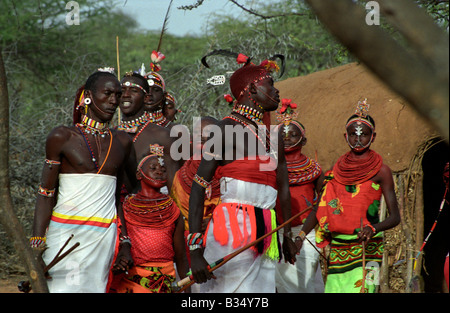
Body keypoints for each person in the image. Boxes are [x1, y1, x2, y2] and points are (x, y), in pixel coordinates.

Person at [188, 52, 298, 293]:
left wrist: (287, 235)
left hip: (267, 233)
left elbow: (284, 188)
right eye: (270, 84)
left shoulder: (273, 136)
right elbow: (198, 188)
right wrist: (195, 251)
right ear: (251, 89)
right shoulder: (225, 129)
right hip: (230, 230)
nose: (276, 90)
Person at [30, 68, 136, 292]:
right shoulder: (62, 137)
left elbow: (119, 197)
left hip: (102, 237)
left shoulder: (123, 141)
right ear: (88, 95)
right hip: (65, 235)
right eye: (107, 94)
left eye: (117, 95)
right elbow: (45, 194)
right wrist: (36, 248)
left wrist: (125, 241)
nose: (113, 101)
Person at [297, 99, 401, 293]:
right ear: (346, 136)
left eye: (364, 134)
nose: (358, 139)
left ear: (374, 136)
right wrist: (300, 236)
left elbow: (395, 217)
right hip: (339, 249)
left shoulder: (382, 172)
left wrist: (373, 228)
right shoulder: (333, 173)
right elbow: (318, 208)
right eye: (353, 134)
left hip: (369, 249)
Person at [109, 149, 189, 293]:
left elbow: (181, 256)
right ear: (139, 174)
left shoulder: (173, 210)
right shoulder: (126, 207)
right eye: (153, 168)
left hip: (164, 280)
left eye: (163, 169)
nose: (159, 171)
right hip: (133, 279)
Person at [274, 101, 325, 293]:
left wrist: (300, 237)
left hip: (306, 232)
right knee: (287, 285)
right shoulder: (269, 169)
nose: (287, 138)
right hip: (277, 233)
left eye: (293, 134)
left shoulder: (314, 170)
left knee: (305, 284)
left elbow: (321, 204)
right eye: (282, 135)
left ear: (303, 140)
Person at [118, 72, 182, 193]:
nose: (126, 95)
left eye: (133, 90)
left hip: (153, 208)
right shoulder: (109, 135)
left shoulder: (164, 136)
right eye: (122, 90)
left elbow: (175, 189)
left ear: (145, 98)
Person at [171, 116, 221, 232]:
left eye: (208, 137)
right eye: (199, 137)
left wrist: (216, 221)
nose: (202, 141)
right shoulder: (180, 177)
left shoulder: (229, 176)